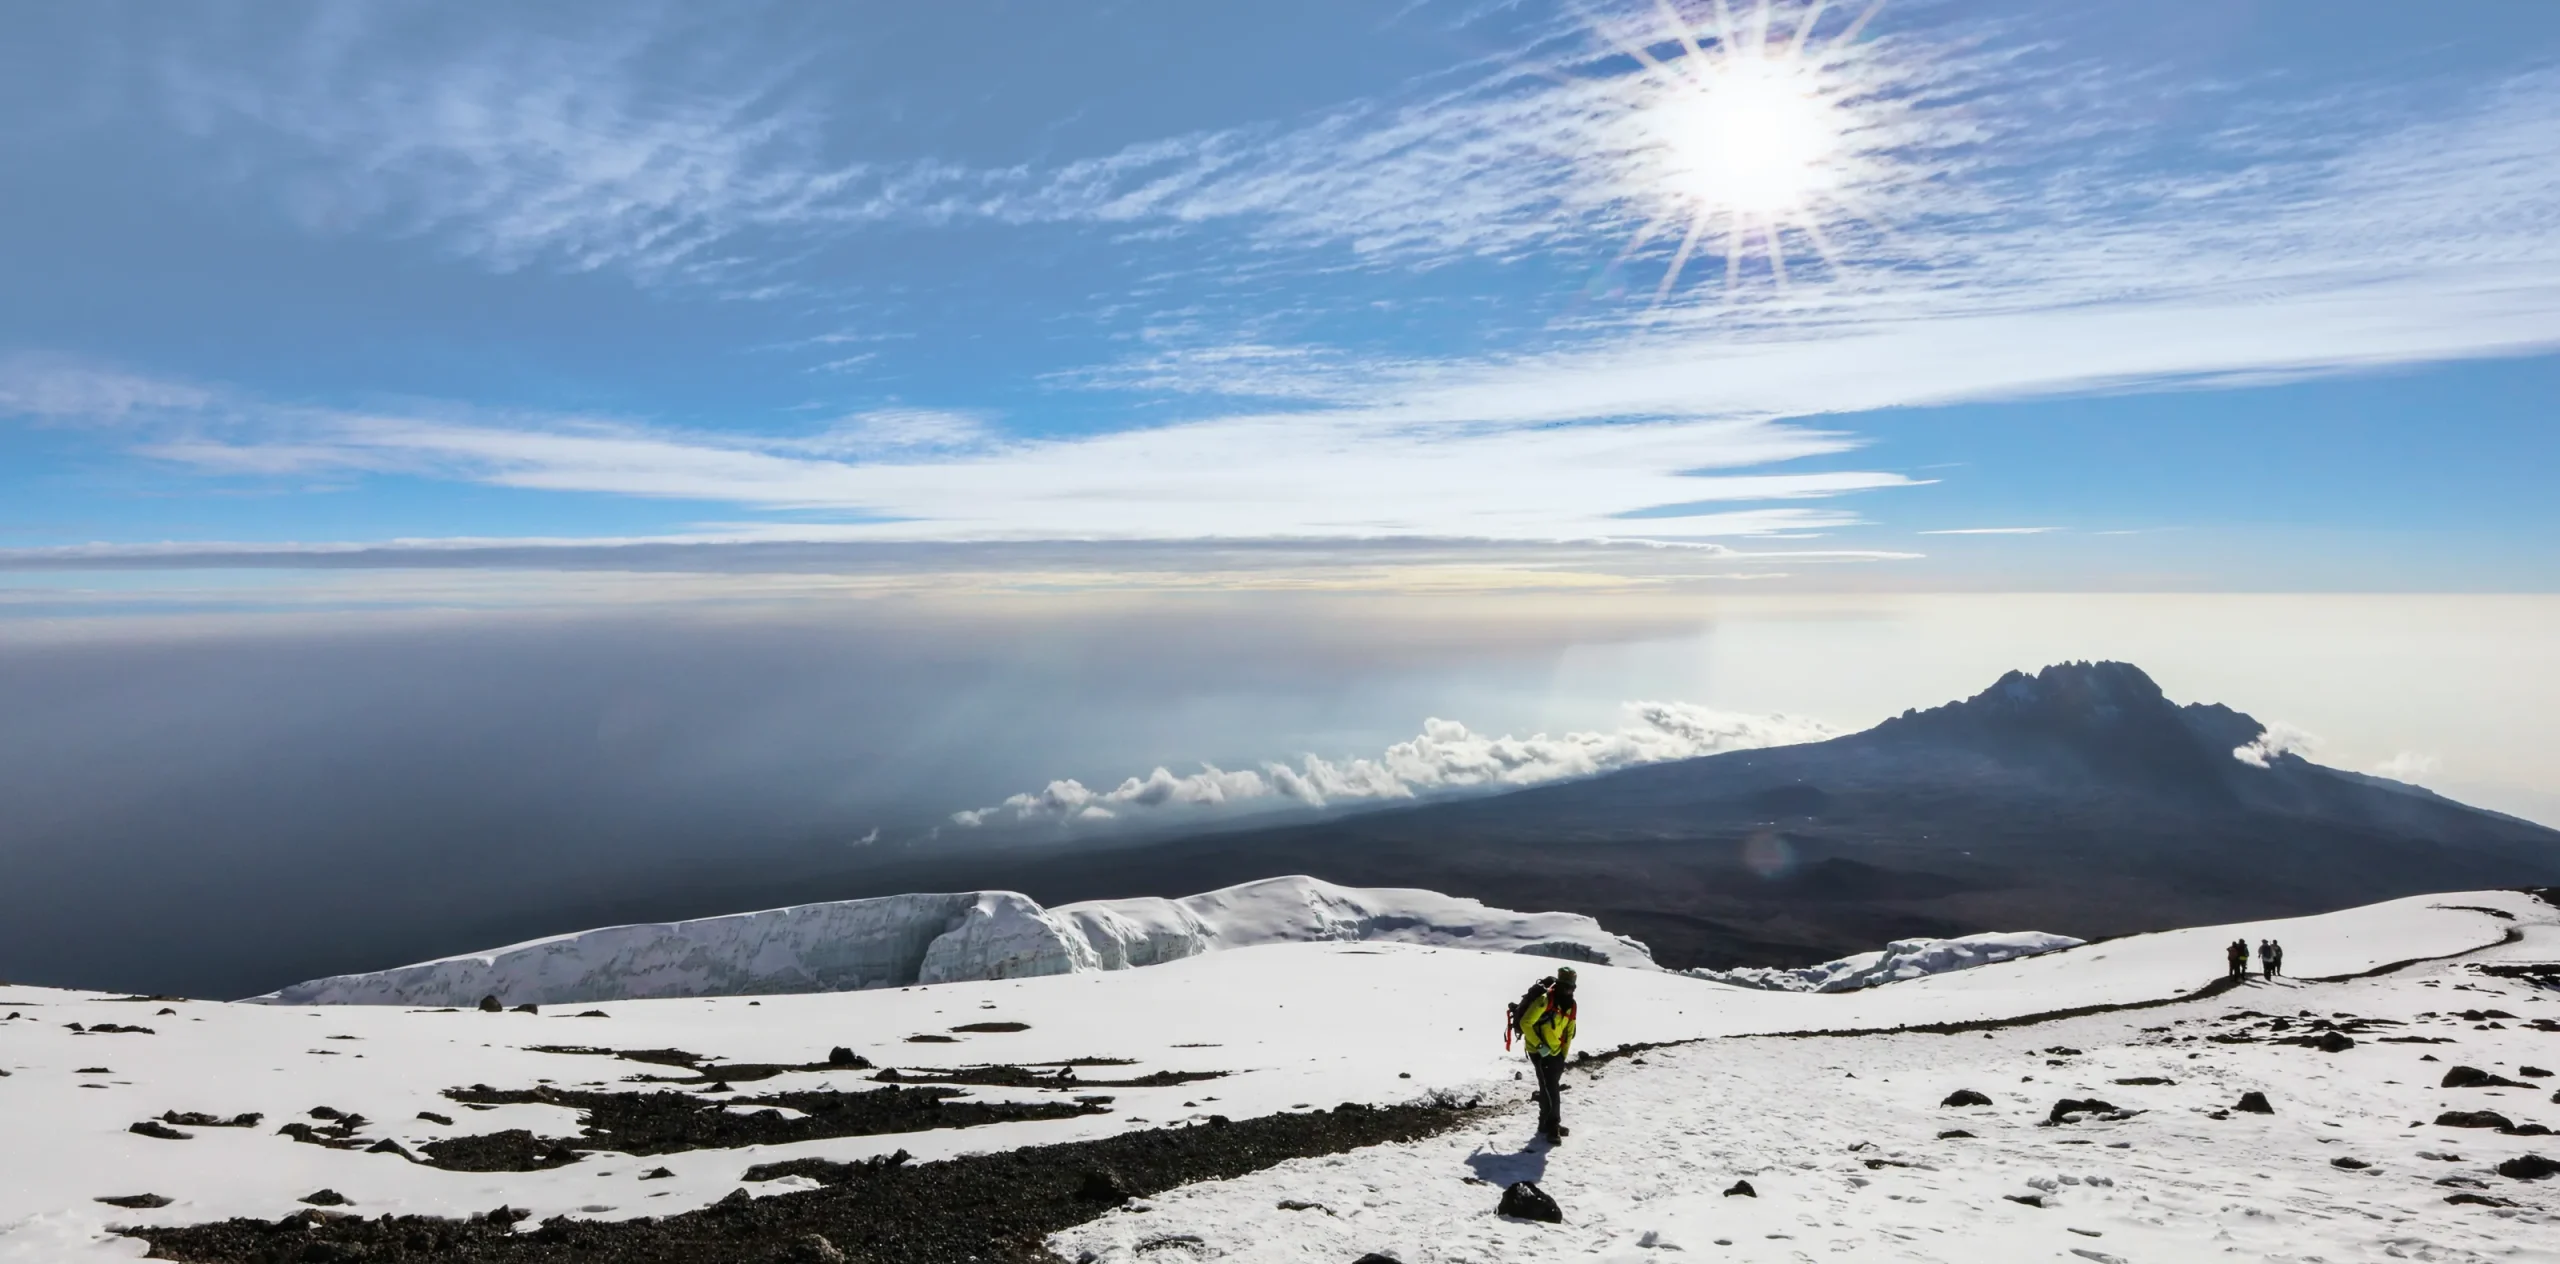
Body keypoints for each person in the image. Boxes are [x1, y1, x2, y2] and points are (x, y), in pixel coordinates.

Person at [1519, 965, 1579, 1146]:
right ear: (1559, 984)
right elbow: (1525, 1022)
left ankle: (1545, 1124)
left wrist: (1562, 1055)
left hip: (1555, 1052)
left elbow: (1569, 1031)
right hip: (1538, 1051)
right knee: (1551, 1088)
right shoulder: (1545, 1000)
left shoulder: (1571, 1005)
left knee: (1548, 1087)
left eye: (1571, 987)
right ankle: (1553, 1126)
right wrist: (1539, 1046)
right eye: (1565, 986)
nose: (1568, 990)